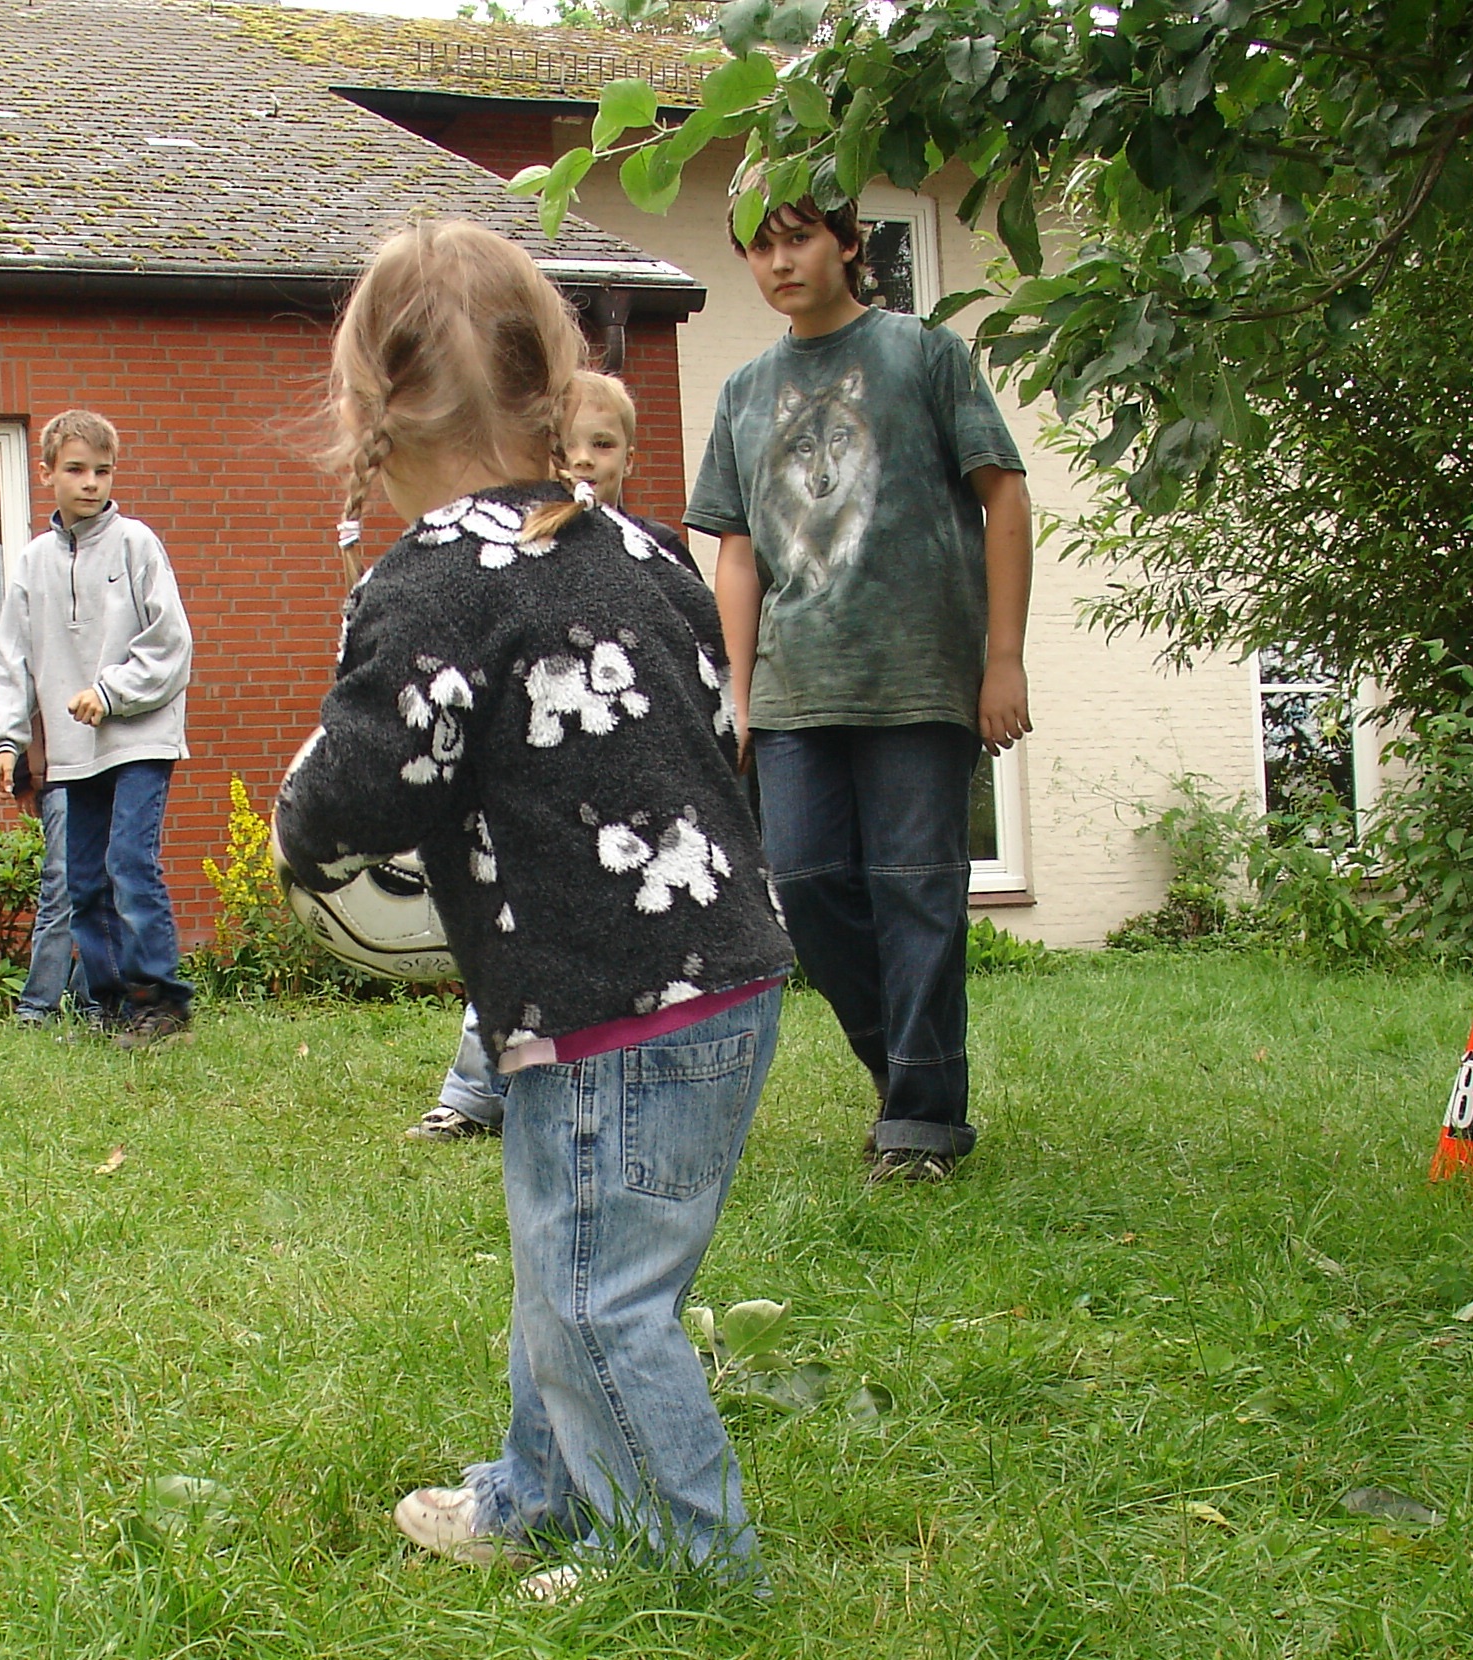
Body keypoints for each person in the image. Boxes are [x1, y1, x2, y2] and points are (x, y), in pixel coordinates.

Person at [276, 220, 795, 1595]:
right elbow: (709, 712)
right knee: (568, 1263)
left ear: (367, 419)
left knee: (594, 1297)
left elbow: (382, 772)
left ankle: (686, 1567)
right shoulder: (641, 547)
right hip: (723, 969)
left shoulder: (430, 579)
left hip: (605, 999)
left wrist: (300, 830)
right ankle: (539, 1498)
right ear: (550, 389)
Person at [685, 181, 1033, 1182]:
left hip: (920, 677)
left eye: (798, 240)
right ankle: (907, 1071)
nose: (779, 263)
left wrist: (1001, 657)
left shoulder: (925, 355)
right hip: (797, 688)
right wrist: (736, 696)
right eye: (759, 248)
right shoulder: (746, 391)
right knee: (807, 884)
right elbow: (739, 556)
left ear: (848, 243)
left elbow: (1003, 498)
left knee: (917, 891)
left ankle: (923, 1125)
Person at [409, 370, 687, 1143]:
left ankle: (623, 1086)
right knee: (512, 928)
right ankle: (472, 1093)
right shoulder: (511, 551)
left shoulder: (655, 553)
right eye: (567, 447)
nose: (584, 460)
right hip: (534, 787)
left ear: (631, 453)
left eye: (603, 443)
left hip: (626, 788)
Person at [0, 410, 194, 1047]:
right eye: (75, 469)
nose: (91, 482)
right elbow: (11, 658)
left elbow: (171, 644)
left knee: (130, 863)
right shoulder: (32, 563)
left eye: (103, 470)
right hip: (75, 753)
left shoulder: (136, 544)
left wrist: (111, 692)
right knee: (84, 882)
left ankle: (159, 1005)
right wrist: (8, 741)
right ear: (45, 473)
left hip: (140, 738)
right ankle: (107, 1007)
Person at [7, 735, 85, 1025]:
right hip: (60, 777)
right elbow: (27, 702)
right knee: (62, 889)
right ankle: (38, 1006)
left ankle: (93, 1003)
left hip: (113, 775)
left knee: (108, 888)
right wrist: (24, 778)